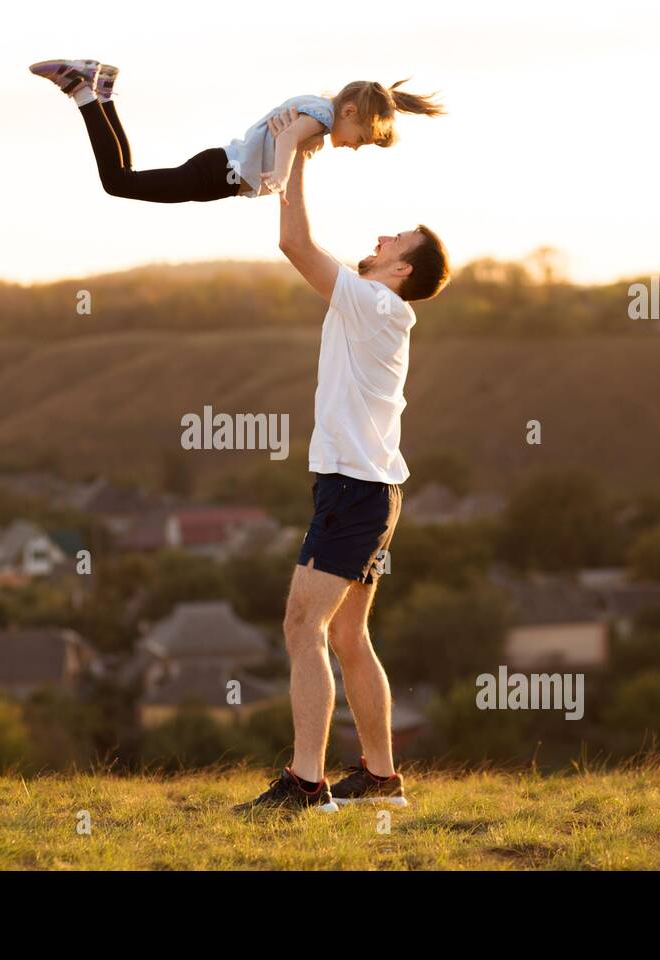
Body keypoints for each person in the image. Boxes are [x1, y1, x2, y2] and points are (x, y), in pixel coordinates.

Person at [234, 108, 451, 812]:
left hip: (358, 493)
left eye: (397, 238)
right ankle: (382, 779)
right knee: (349, 633)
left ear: (401, 267)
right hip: (366, 488)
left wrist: (295, 150)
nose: (383, 235)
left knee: (305, 626)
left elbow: (293, 243)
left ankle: (305, 784)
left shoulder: (379, 307)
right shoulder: (373, 305)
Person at [28, 59, 443, 204]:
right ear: (350, 111)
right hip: (218, 172)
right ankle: (84, 91)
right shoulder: (322, 116)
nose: (354, 148)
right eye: (362, 140)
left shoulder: (319, 114)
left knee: (127, 177)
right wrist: (280, 176)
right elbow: (284, 137)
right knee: (118, 182)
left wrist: (298, 151)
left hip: (218, 173)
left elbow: (290, 137)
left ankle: (102, 93)